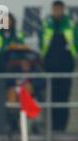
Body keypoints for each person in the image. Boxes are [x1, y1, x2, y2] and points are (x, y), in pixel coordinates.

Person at [39, 0, 78, 131]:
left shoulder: (71, 25)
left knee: (63, 101)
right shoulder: (46, 25)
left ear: (63, 9)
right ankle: (51, 129)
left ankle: (62, 128)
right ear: (52, 10)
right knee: (50, 99)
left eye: (59, 9)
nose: (57, 12)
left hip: (65, 68)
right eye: (55, 9)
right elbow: (41, 44)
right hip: (49, 68)